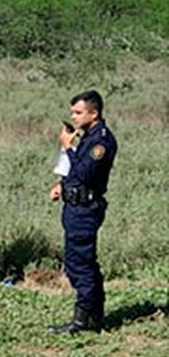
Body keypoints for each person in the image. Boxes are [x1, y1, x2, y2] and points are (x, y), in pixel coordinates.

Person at [49, 90, 117, 334]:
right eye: (73, 112)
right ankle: (94, 315)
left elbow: (86, 173)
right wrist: (62, 185)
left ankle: (81, 321)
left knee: (80, 265)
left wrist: (68, 148)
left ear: (94, 113)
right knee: (82, 261)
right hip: (76, 206)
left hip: (85, 210)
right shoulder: (87, 136)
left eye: (78, 112)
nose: (73, 117)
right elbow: (77, 174)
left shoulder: (100, 141)